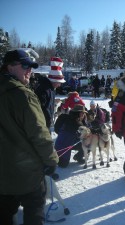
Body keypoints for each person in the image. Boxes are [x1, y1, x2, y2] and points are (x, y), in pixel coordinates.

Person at [0, 49, 58, 225]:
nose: (29, 70)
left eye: (31, 67)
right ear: (9, 67)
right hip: (26, 172)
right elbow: (39, 133)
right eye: (24, 65)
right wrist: (51, 160)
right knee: (34, 208)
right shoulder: (22, 94)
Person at [34, 57, 66, 130]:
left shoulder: (51, 89)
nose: (59, 85)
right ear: (54, 80)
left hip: (46, 124)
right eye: (59, 83)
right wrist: (47, 122)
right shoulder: (44, 89)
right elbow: (42, 108)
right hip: (41, 125)